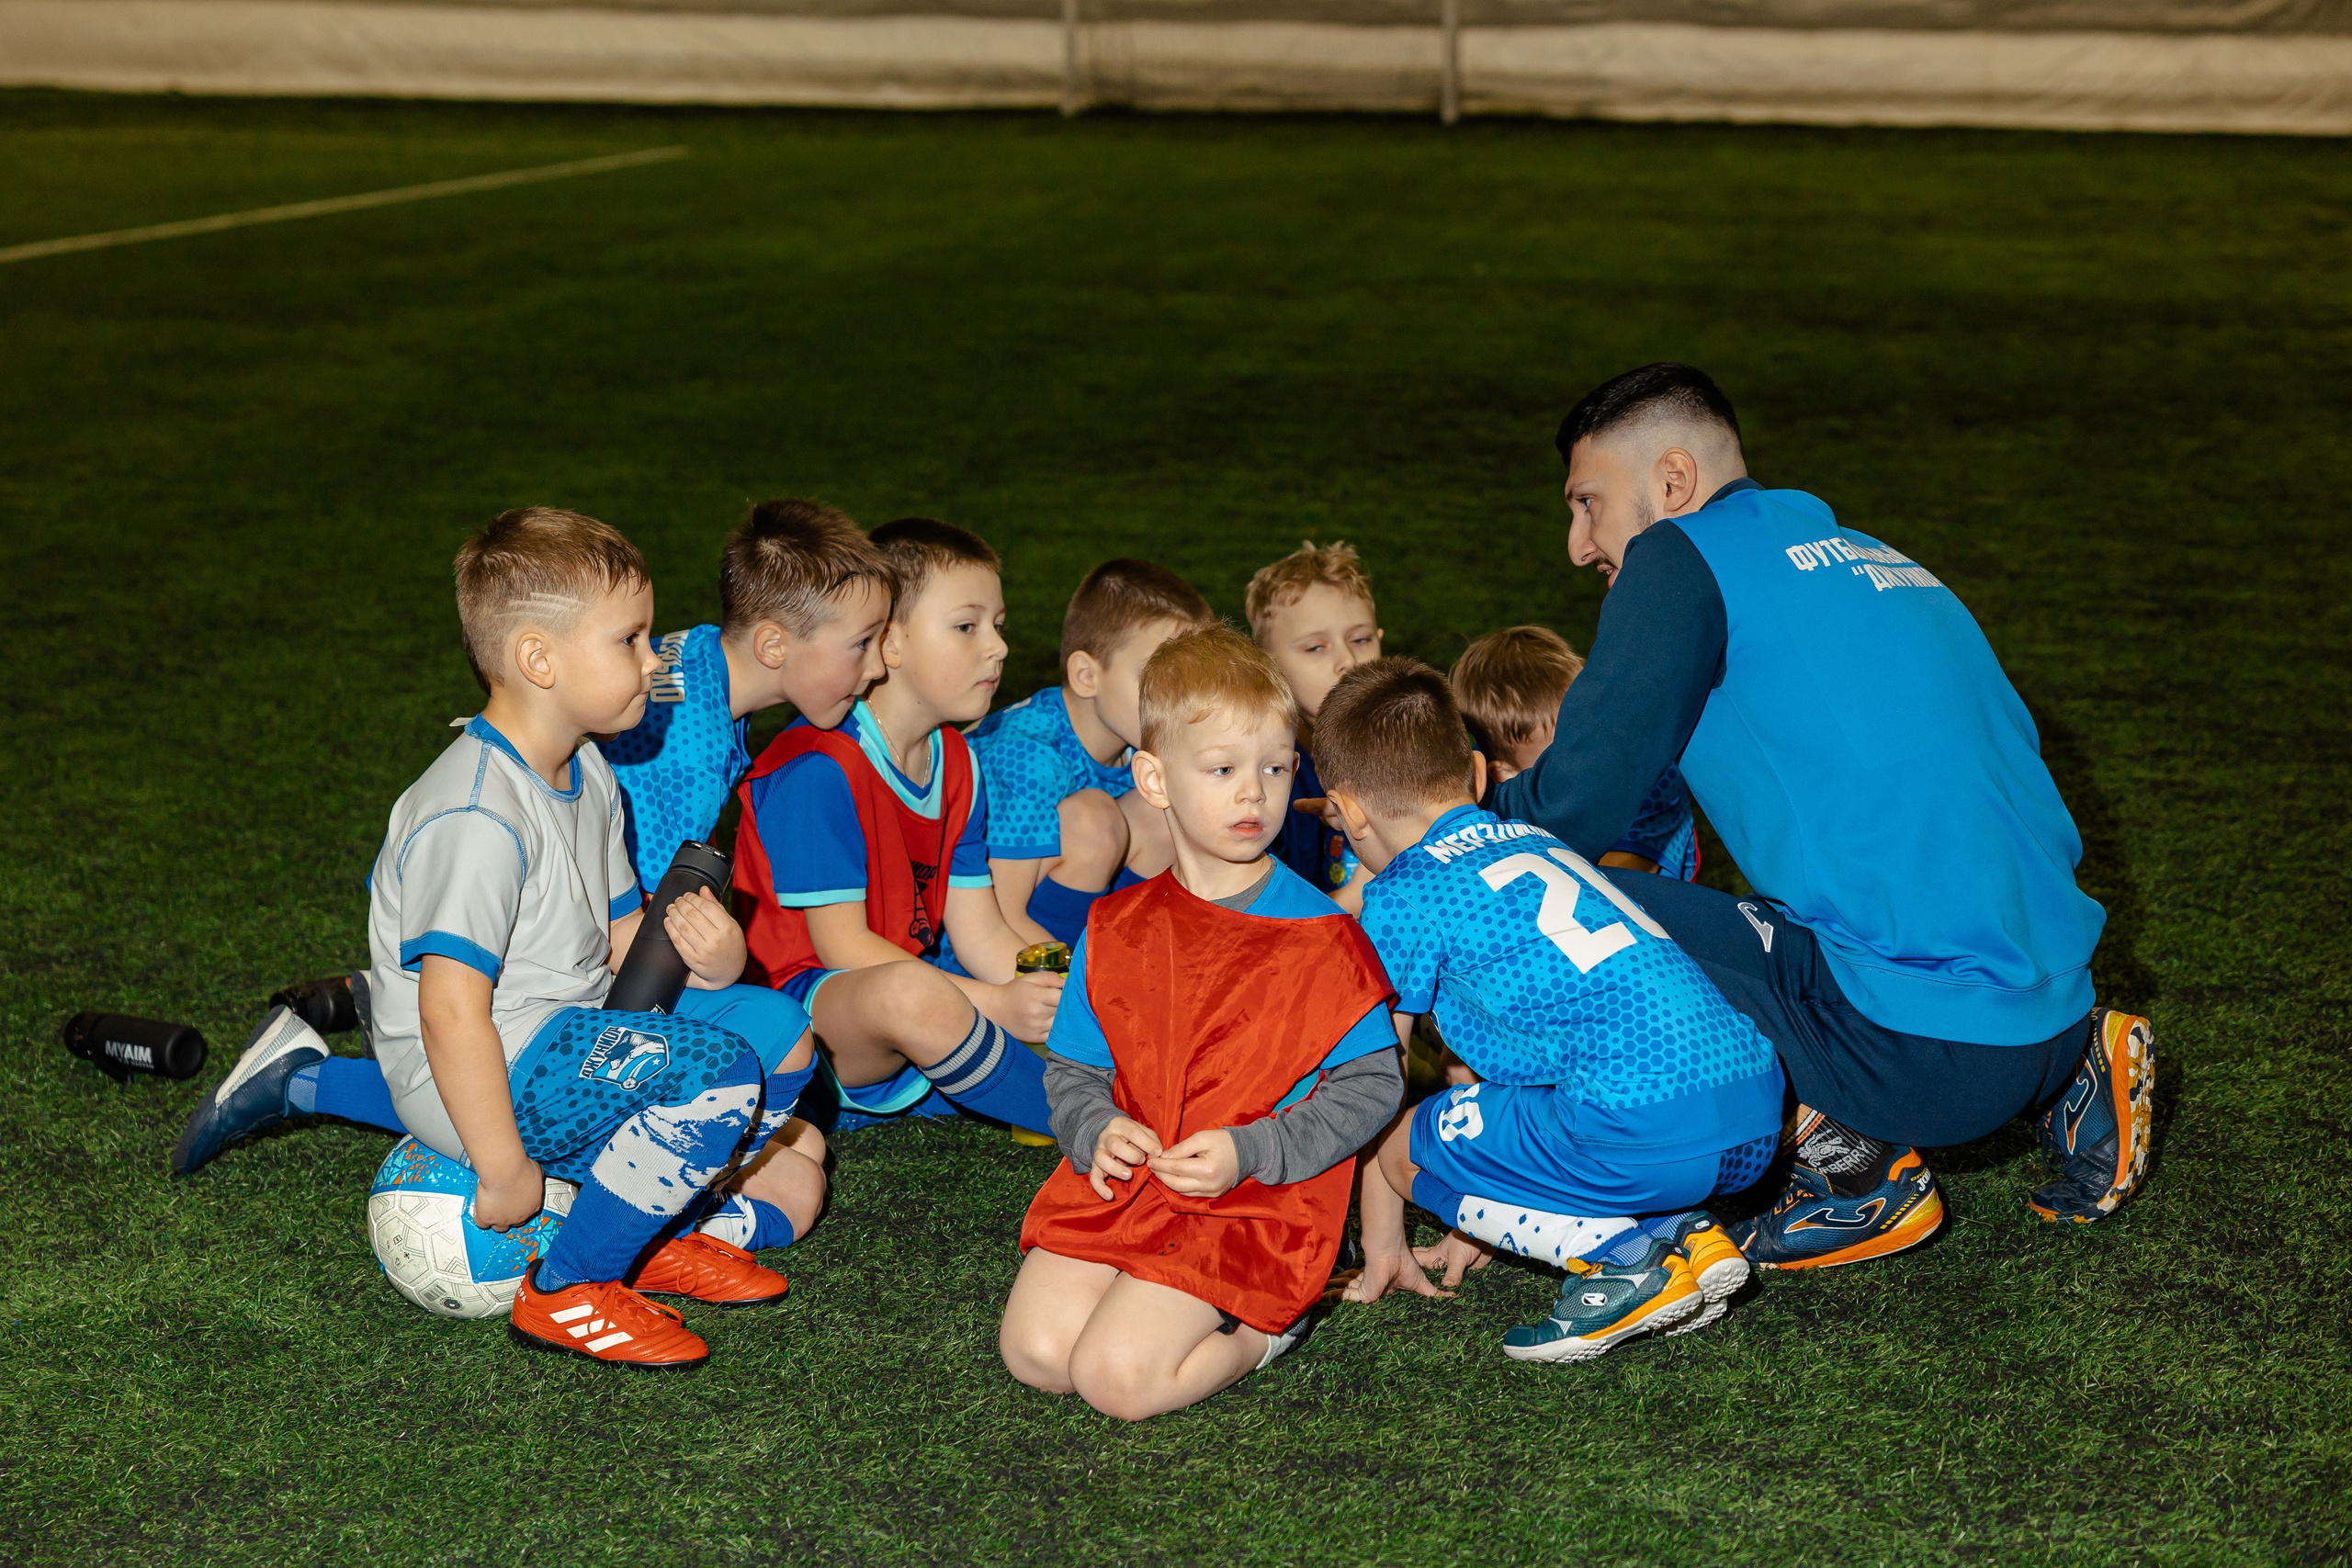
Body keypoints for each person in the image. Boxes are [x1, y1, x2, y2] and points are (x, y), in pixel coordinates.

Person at [1489, 363, 2154, 1264]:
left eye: (1587, 503)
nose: (1576, 543)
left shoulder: (1679, 558)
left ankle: (1853, 1171)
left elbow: (1573, 805)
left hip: (1923, 1052)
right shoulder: (1861, 553)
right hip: (2050, 1008)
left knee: (1547, 905)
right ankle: (2074, 1077)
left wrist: (1439, 825)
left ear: (1672, 482)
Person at [173, 498, 884, 1259]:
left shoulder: (588, 768)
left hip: (562, 1024)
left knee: (787, 1079)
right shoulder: (476, 814)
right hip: (485, 1062)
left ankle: (661, 1202)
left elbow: (623, 940)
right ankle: (587, 1269)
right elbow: (451, 1017)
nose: (655, 661)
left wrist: (710, 959)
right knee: (754, 1120)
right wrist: (506, 1167)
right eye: (630, 640)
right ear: (539, 661)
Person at [1317, 659, 1778, 1359]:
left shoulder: (1406, 890)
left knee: (1404, 1144)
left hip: (1643, 1126)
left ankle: (1621, 1258)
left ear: (1347, 809)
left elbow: (1376, 1084)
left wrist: (1382, 1240)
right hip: (1754, 1115)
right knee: (1518, 1100)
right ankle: (1681, 1230)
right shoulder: (1542, 841)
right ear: (1476, 776)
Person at [998, 626, 1401, 1420]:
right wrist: (1096, 1128)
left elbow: (1373, 1085)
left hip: (1257, 1195)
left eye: (1277, 767)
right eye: (1222, 769)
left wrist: (1254, 1149)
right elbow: (1073, 1069)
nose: (1254, 793)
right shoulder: (1116, 925)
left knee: (1118, 1379)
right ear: (1153, 778)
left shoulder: (1321, 936)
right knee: (1037, 1353)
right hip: (1135, 1186)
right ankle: (1158, 1291)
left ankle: (1270, 1328)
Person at [733, 517, 1058, 1136]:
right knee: (913, 993)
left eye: (998, 625)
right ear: (888, 643)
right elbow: (843, 949)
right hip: (798, 1018)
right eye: (966, 626)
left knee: (1048, 991)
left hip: (903, 1004)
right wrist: (996, 1005)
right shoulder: (818, 769)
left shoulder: (957, 759)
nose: (998, 647)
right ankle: (1091, 1122)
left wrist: (1050, 991)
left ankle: (988, 1073)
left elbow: (980, 928)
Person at [967, 558, 1213, 948]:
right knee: (1094, 821)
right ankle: (1088, 983)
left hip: (1065, 919)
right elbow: (998, 917)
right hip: (989, 952)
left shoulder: (1139, 740)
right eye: (1156, 678)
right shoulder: (1027, 758)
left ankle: (1133, 954)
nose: (1180, 699)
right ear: (1086, 677)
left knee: (1170, 806)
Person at [1450, 625, 1697, 880]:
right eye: (1561, 757)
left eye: (1591, 727)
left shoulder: (1651, 774)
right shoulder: (1475, 788)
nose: (1589, 752)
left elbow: (1619, 880)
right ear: (1505, 774)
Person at [1245, 540, 1383, 908]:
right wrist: (1355, 899)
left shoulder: (1411, 745)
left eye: (1360, 639)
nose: (1347, 660)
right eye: (1315, 648)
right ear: (1268, 666)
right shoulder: (1260, 778)